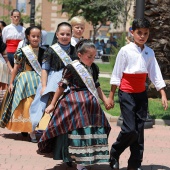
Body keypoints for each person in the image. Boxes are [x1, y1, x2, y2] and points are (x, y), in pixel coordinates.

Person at [38, 39, 111, 170]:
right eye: (89, 57)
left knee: (91, 130)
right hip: (74, 103)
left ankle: (86, 158)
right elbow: (61, 86)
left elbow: (97, 85)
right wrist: (53, 104)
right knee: (75, 130)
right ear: (79, 55)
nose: (92, 59)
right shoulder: (72, 67)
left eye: (94, 57)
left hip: (91, 105)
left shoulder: (94, 67)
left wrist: (105, 100)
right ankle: (76, 160)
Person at [107, 18, 168, 170]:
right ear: (132, 32)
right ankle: (115, 151)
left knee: (139, 131)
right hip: (126, 93)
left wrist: (163, 94)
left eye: (145, 33)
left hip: (141, 95)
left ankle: (135, 164)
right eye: (139, 33)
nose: (142, 36)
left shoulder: (149, 52)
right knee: (129, 129)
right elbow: (117, 74)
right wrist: (111, 96)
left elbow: (155, 73)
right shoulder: (125, 51)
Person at [29, 22, 78, 138]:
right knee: (40, 103)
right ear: (57, 34)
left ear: (71, 35)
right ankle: (33, 129)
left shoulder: (74, 50)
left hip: (68, 80)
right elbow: (44, 69)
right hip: (51, 80)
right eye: (62, 34)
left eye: (68, 34)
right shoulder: (50, 50)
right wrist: (44, 85)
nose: (65, 36)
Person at [0, 26, 45, 142]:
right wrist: (11, 83)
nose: (35, 38)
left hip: (39, 80)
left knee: (37, 104)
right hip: (24, 79)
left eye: (38, 36)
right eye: (33, 36)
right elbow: (16, 68)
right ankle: (29, 130)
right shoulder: (22, 51)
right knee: (26, 103)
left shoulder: (45, 51)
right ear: (28, 37)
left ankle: (33, 129)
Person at [0, 28, 12, 110]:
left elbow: (6, 58)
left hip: (2, 67)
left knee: (2, 90)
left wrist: (11, 69)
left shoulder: (2, 44)